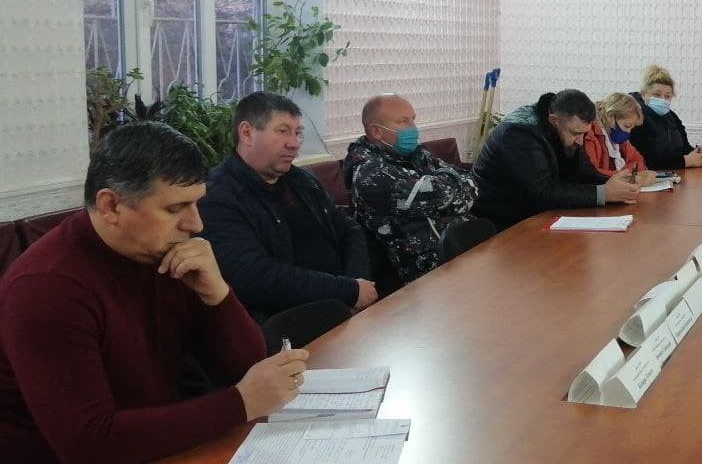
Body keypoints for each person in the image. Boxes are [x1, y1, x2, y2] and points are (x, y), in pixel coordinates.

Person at [0, 123, 307, 464]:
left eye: (197, 204)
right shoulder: (48, 287)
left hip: (142, 458)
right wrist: (238, 403)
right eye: (175, 208)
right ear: (111, 205)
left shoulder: (161, 255)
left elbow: (246, 368)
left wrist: (218, 295)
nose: (195, 224)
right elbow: (91, 448)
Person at [201, 92, 376, 322]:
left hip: (346, 308)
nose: (294, 144)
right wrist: (348, 291)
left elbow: (348, 229)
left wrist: (356, 286)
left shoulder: (303, 180)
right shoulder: (217, 196)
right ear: (246, 133)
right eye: (283, 131)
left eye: (297, 133)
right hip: (288, 325)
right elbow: (255, 276)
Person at [342, 94, 479, 286]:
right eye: (403, 121)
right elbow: (445, 195)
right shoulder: (372, 174)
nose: (413, 128)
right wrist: (452, 190)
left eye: (413, 119)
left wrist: (448, 191)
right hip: (430, 271)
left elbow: (471, 183)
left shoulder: (414, 154)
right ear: (376, 131)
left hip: (463, 248)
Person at [471, 89, 641, 230]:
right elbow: (543, 194)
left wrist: (617, 185)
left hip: (534, 215)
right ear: (554, 120)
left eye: (584, 134)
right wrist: (603, 193)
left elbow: (583, 172)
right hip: (500, 220)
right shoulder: (520, 134)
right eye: (575, 134)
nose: (580, 141)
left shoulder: (565, 127)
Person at [628, 64, 702, 170]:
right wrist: (685, 161)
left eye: (667, 96)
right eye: (657, 95)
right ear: (643, 94)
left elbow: (684, 147)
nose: (662, 99)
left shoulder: (672, 116)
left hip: (677, 174)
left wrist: (696, 154)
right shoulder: (635, 117)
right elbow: (645, 160)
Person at [583, 92, 657, 186]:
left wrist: (629, 173)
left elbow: (638, 161)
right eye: (627, 126)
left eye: (631, 128)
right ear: (610, 116)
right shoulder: (589, 134)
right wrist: (630, 176)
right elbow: (592, 173)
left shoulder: (619, 138)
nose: (628, 132)